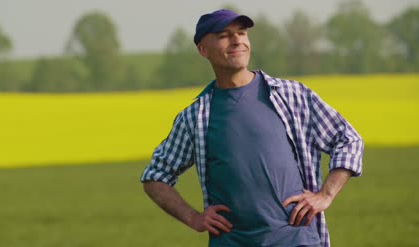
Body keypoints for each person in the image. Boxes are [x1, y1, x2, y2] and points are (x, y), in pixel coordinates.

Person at [140, 9, 363, 247]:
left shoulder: (292, 95)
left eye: (242, 33)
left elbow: (348, 139)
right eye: (224, 35)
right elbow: (155, 177)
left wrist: (325, 195)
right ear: (203, 50)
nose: (237, 40)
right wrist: (193, 217)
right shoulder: (195, 117)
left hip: (298, 240)